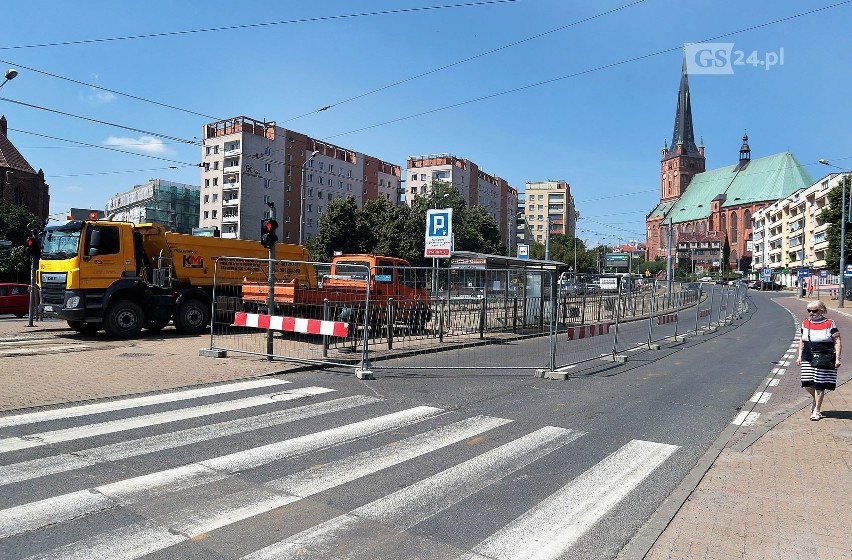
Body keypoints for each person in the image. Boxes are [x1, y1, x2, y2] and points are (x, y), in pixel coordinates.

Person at [796, 300, 841, 420]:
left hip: (824, 357)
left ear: (822, 310)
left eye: (814, 310)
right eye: (809, 311)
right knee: (806, 382)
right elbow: (802, 340)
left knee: (820, 384)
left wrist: (837, 358)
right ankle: (815, 399)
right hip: (807, 356)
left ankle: (817, 411)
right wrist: (799, 356)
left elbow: (837, 341)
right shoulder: (805, 323)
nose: (811, 313)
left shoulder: (830, 323)